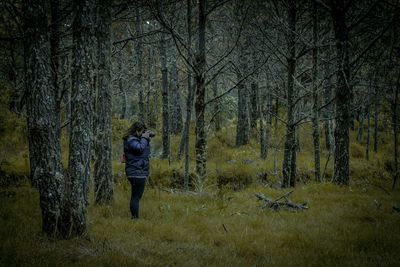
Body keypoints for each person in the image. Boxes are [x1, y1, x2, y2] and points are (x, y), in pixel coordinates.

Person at [123, 121, 153, 219]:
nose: (144, 134)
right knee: (136, 197)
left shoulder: (134, 139)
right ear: (137, 131)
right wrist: (144, 138)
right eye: (142, 131)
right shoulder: (131, 140)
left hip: (137, 171)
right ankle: (135, 219)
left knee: (136, 197)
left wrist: (145, 136)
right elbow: (139, 149)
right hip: (136, 172)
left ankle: (135, 217)